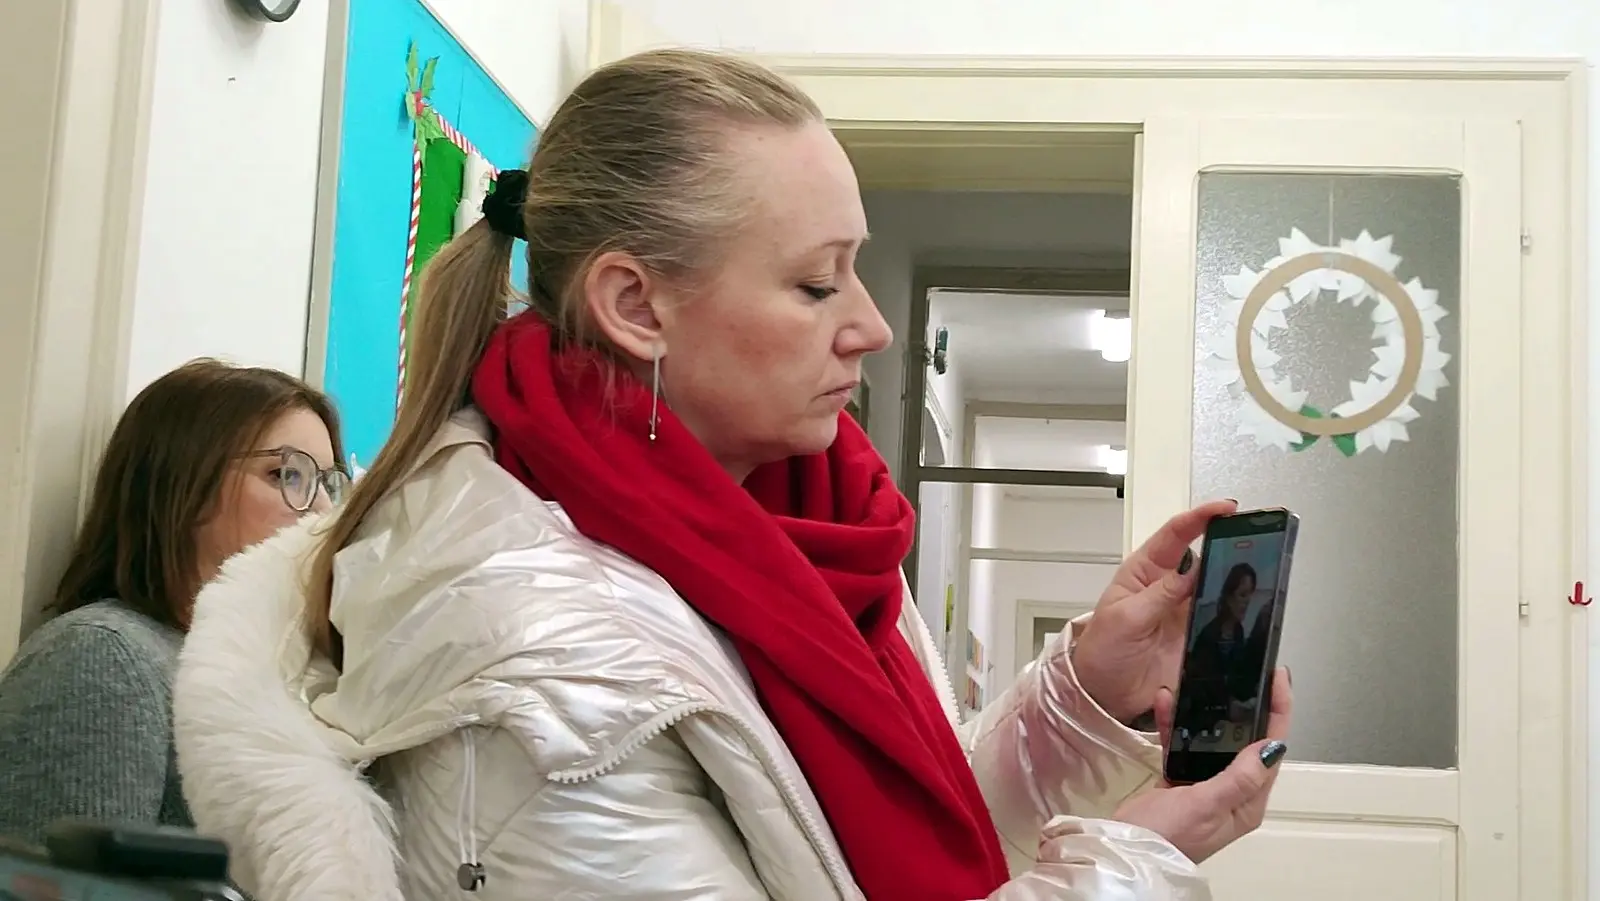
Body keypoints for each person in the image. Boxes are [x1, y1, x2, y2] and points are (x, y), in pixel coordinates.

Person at [173, 49, 1291, 901]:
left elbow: (883, 839)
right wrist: (1133, 864)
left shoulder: (808, 529)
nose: (870, 328)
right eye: (815, 285)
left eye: (856, 272)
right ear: (635, 306)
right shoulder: (541, 676)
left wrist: (1085, 694)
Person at [0, 360, 348, 844]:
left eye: (328, 483)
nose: (323, 509)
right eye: (287, 474)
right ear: (185, 486)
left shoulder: (275, 679)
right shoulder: (103, 657)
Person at [1176, 563, 1258, 741]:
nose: (1247, 602)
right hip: (1203, 723)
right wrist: (1228, 705)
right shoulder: (1210, 636)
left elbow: (1237, 676)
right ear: (1228, 597)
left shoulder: (1238, 632)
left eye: (1250, 595)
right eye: (1242, 595)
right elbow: (1201, 688)